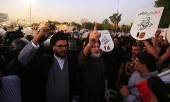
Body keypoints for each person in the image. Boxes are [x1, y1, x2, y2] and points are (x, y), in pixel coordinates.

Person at [18, 27, 81, 102]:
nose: (64, 49)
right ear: (53, 47)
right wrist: (40, 35)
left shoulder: (72, 60)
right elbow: (22, 59)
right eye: (60, 46)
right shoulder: (45, 61)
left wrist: (75, 99)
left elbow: (78, 81)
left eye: (65, 46)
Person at [78, 23, 109, 102]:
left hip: (101, 94)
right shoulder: (87, 59)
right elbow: (81, 59)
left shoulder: (100, 59)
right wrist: (90, 44)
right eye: (93, 47)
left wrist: (106, 90)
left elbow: (105, 76)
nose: (96, 49)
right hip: (89, 95)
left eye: (98, 46)